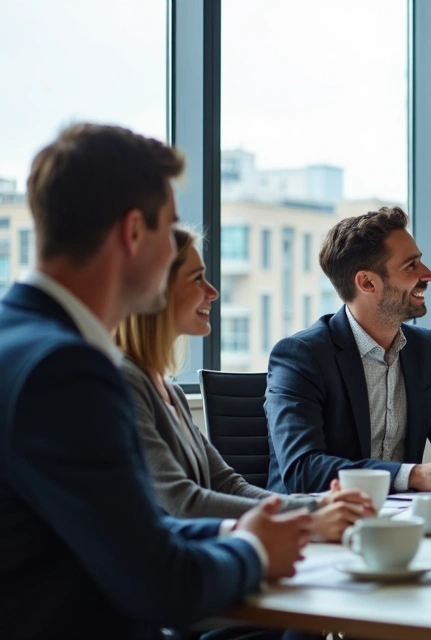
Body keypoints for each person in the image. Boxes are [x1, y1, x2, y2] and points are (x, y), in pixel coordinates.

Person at [0, 124, 310, 639]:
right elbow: (162, 584)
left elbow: (124, 531)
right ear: (132, 233)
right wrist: (255, 549)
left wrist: (233, 529)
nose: (173, 252)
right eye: (169, 231)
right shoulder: (67, 372)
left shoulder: (20, 341)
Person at [116, 228, 375, 541]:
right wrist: (310, 519)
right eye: (197, 278)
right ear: (156, 287)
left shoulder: (170, 390)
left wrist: (317, 505)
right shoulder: (124, 383)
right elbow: (184, 503)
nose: (212, 292)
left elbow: (228, 485)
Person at [265, 206, 431, 494]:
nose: (428, 275)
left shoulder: (423, 348)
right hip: (317, 525)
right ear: (367, 282)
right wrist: (416, 475)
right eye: (411, 265)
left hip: (403, 520)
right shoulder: (300, 356)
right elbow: (303, 469)